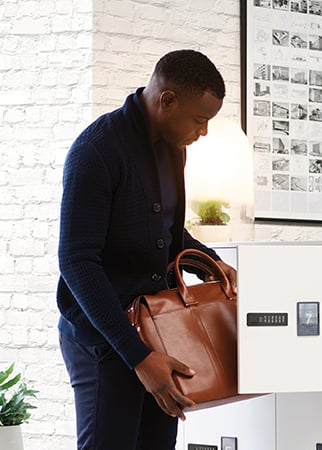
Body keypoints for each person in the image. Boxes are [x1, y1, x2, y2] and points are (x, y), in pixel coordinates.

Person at [57, 49, 238, 450]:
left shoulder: (174, 148)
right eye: (199, 120)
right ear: (167, 100)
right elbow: (76, 260)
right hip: (105, 340)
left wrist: (210, 262)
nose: (203, 132)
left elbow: (168, 235)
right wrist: (138, 356)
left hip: (158, 333)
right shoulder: (96, 151)